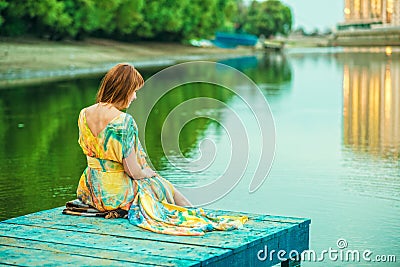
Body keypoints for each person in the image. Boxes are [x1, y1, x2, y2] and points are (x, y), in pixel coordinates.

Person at [63, 63, 247, 236]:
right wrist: (147, 172)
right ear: (124, 90)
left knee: (157, 183)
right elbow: (133, 172)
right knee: (162, 184)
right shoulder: (123, 122)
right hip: (115, 195)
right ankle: (197, 214)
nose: (135, 97)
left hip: (91, 190)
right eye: (134, 91)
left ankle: (195, 212)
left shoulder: (84, 113)